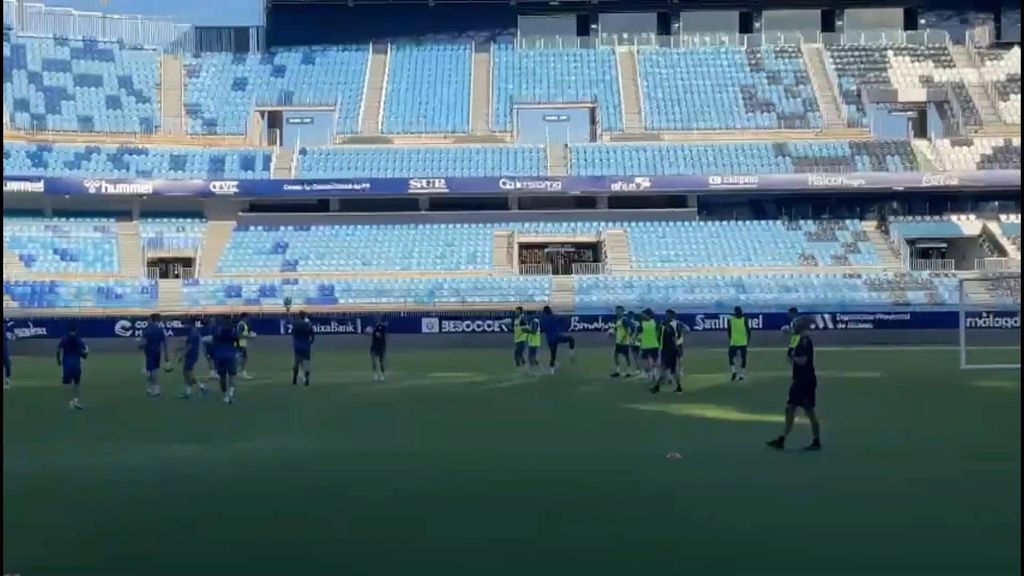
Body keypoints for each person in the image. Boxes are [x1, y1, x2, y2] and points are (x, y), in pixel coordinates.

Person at [767, 316, 822, 451]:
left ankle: (816, 441)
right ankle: (781, 439)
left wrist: (792, 356)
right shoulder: (797, 339)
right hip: (798, 380)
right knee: (790, 409)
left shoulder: (804, 341)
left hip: (805, 381)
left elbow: (802, 360)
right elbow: (792, 359)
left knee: (809, 411)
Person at [650, 309, 686, 394]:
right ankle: (677, 387)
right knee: (671, 370)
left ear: (671, 316)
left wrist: (675, 347)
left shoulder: (669, 325)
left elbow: (673, 338)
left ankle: (657, 387)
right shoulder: (672, 324)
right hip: (667, 349)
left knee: (664, 368)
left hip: (669, 350)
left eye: (667, 315)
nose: (665, 316)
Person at [56, 323, 88, 410]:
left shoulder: (64, 339)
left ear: (69, 330)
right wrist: (86, 352)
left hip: (66, 364)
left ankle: (70, 401)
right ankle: (76, 400)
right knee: (77, 384)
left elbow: (58, 350)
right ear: (76, 330)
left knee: (66, 384)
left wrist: (58, 360)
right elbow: (84, 353)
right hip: (76, 364)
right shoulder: (78, 340)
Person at [208, 316, 239, 404]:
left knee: (222, 377)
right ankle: (230, 395)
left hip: (219, 355)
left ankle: (225, 395)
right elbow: (237, 342)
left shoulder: (217, 330)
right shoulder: (232, 330)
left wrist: (212, 353)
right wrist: (236, 350)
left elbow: (213, 341)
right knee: (232, 375)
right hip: (230, 355)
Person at [140, 313, 170, 397]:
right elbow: (165, 343)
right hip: (157, 352)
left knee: (152, 371)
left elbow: (143, 342)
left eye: (149, 319)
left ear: (151, 319)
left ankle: (156, 389)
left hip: (150, 352)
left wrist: (141, 346)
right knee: (154, 370)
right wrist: (167, 355)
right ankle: (149, 388)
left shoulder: (148, 329)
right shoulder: (161, 330)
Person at [540, 306, 575, 375]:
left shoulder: (543, 319)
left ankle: (552, 372)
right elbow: (564, 319)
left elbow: (542, 329)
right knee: (571, 339)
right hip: (557, 337)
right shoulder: (554, 317)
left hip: (550, 340)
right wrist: (570, 315)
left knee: (553, 356)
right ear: (550, 310)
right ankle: (571, 354)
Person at [178, 320, 207, 399]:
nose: (184, 327)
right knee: (188, 373)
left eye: (186, 324)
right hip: (192, 355)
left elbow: (189, 346)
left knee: (187, 372)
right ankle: (200, 387)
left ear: (190, 324)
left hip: (191, 355)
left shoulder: (193, 334)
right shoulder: (194, 332)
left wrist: (182, 355)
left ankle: (193, 390)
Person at [291, 311, 315, 387]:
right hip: (306, 345)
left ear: (299, 316)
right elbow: (313, 336)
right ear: (304, 316)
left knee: (296, 362)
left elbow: (292, 333)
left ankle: (294, 378)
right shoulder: (308, 325)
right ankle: (306, 377)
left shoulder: (296, 324)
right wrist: (310, 342)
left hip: (297, 345)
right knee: (306, 363)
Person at [728, 306, 751, 381]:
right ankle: (742, 374)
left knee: (731, 357)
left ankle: (734, 371)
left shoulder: (731, 320)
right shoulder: (744, 319)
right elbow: (748, 331)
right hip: (743, 342)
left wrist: (731, 339)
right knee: (743, 358)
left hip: (734, 342)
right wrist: (748, 341)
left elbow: (729, 331)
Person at [610, 306, 634, 378]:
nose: (617, 312)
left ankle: (629, 371)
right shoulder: (618, 320)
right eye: (616, 311)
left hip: (623, 342)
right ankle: (618, 371)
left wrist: (623, 339)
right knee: (616, 355)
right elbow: (618, 330)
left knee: (626, 356)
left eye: (619, 311)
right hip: (619, 341)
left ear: (623, 311)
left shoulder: (624, 320)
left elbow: (628, 331)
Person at [637, 309, 660, 381]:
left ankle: (649, 374)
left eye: (644, 314)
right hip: (653, 344)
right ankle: (652, 373)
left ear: (648, 315)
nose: (642, 316)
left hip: (647, 345)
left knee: (646, 360)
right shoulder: (655, 323)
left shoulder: (643, 324)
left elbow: (639, 334)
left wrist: (639, 338)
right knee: (652, 360)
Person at [236, 313, 254, 380]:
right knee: (241, 359)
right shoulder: (241, 325)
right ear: (244, 317)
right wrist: (249, 337)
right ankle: (240, 372)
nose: (249, 319)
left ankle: (241, 372)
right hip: (240, 344)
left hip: (242, 344)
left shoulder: (243, 325)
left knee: (244, 359)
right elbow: (238, 335)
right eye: (248, 317)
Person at [512, 306, 529, 371]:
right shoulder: (517, 319)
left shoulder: (522, 318)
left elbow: (526, 328)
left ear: (520, 311)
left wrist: (524, 333)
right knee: (520, 355)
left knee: (516, 355)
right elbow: (516, 329)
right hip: (517, 339)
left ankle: (518, 369)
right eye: (515, 310)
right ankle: (526, 370)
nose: (515, 312)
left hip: (521, 339)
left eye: (517, 311)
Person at [3, 319, 14, 389]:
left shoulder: (5, 329)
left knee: (7, 364)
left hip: (4, 349)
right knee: (7, 364)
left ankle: (7, 381)